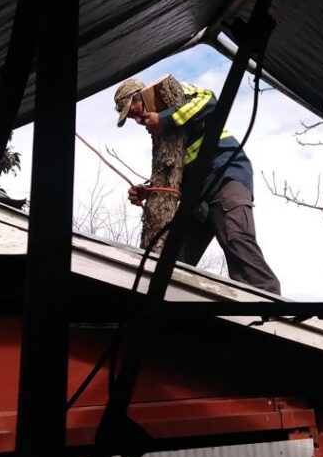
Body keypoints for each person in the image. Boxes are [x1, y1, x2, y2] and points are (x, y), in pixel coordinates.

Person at [114, 78, 281, 295]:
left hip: (225, 175)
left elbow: (209, 100)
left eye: (134, 112)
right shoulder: (162, 132)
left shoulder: (174, 91)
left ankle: (268, 304)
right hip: (198, 194)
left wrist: (166, 118)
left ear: (139, 96)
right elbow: (177, 169)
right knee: (174, 257)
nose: (136, 120)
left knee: (236, 240)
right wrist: (149, 190)